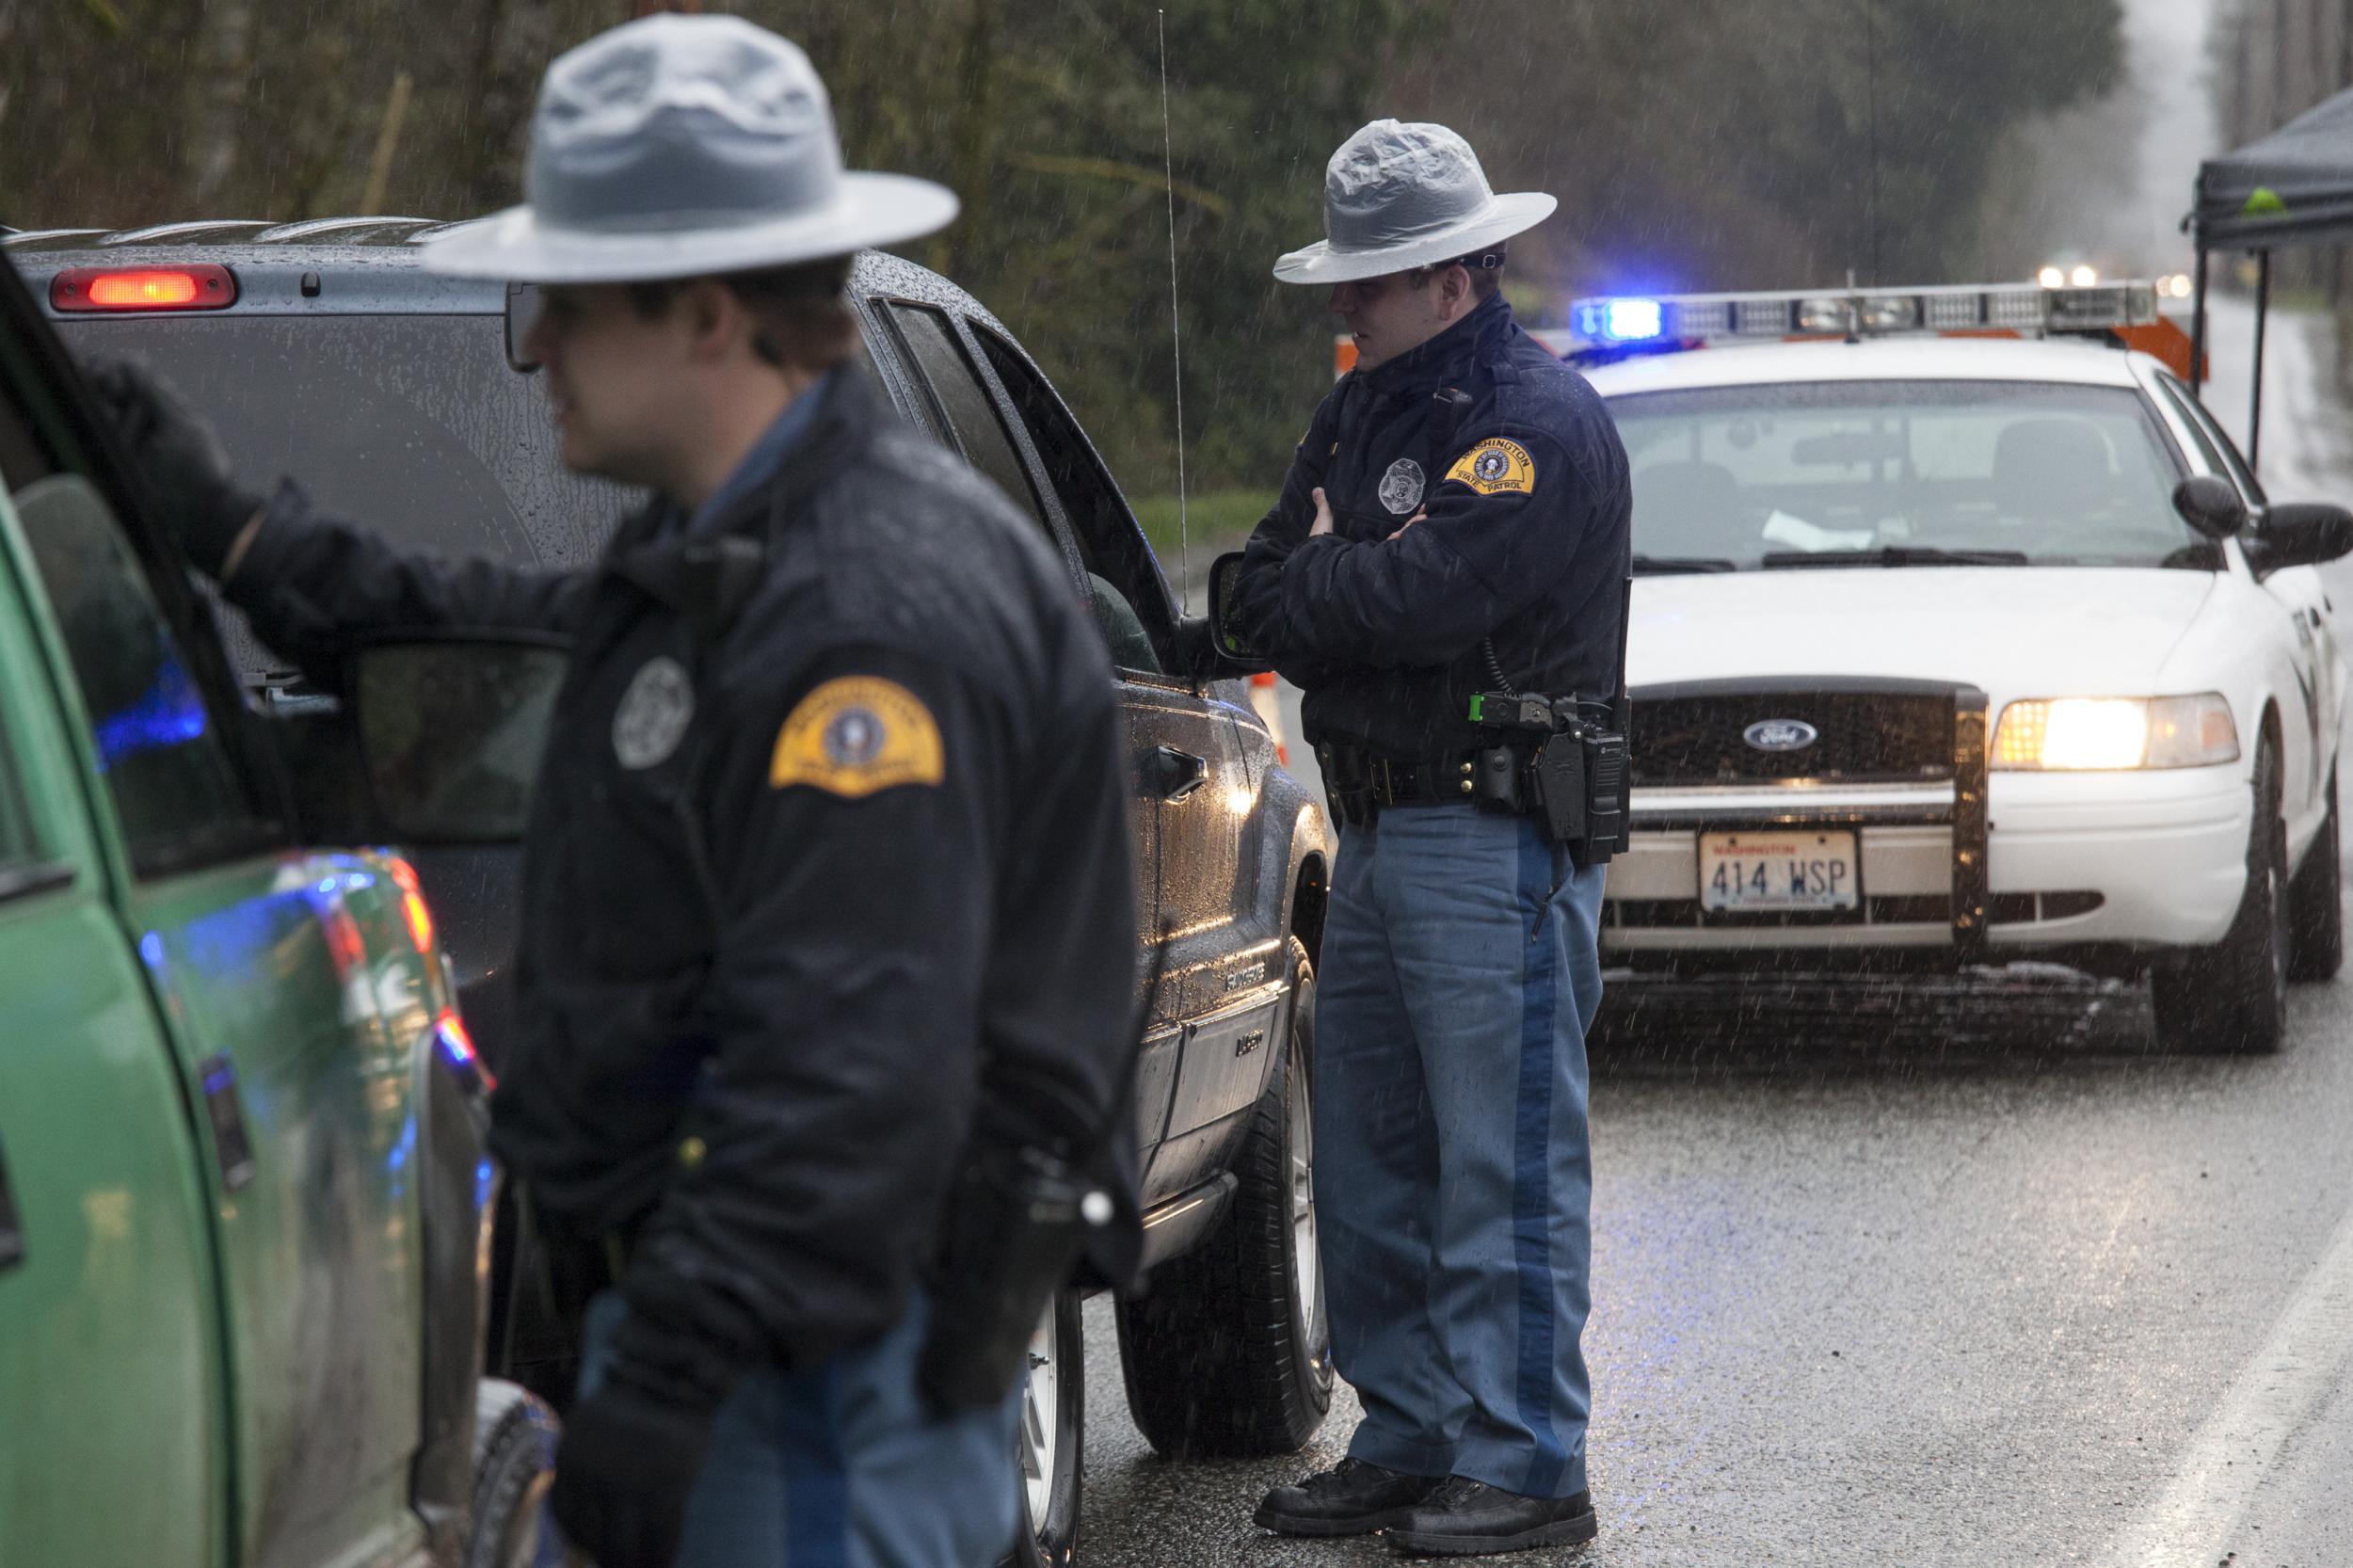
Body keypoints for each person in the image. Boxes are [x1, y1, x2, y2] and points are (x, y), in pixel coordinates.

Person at [90, 16, 1140, 1568]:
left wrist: (651, 1402)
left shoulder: (867, 618)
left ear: (706, 313)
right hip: (769, 1349)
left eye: (563, 306)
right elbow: (533, 641)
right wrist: (243, 544)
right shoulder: (752, 558)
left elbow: (843, 1085)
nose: (533, 349)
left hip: (816, 1385)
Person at [1232, 119, 1631, 1558]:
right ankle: (1408, 1435)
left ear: (1454, 276)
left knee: (1501, 1162)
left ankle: (1526, 1459)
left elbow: (1418, 603)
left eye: (1374, 280)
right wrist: (1350, 570)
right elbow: (1250, 597)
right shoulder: (1357, 417)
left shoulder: (1533, 420)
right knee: (1377, 1164)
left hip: (1491, 828)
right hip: (1382, 827)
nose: (1347, 304)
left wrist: (1338, 575)